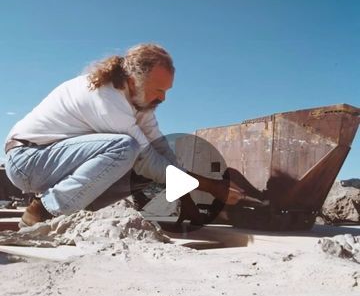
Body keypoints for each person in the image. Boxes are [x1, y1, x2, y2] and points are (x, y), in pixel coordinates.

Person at [4, 43, 245, 227]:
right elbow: (147, 159)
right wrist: (211, 186)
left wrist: (189, 196)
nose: (163, 98)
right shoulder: (105, 97)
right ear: (134, 80)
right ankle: (41, 212)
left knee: (146, 173)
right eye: (158, 90)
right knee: (126, 148)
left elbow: (160, 148)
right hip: (28, 160)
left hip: (54, 163)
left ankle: (74, 208)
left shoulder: (139, 103)